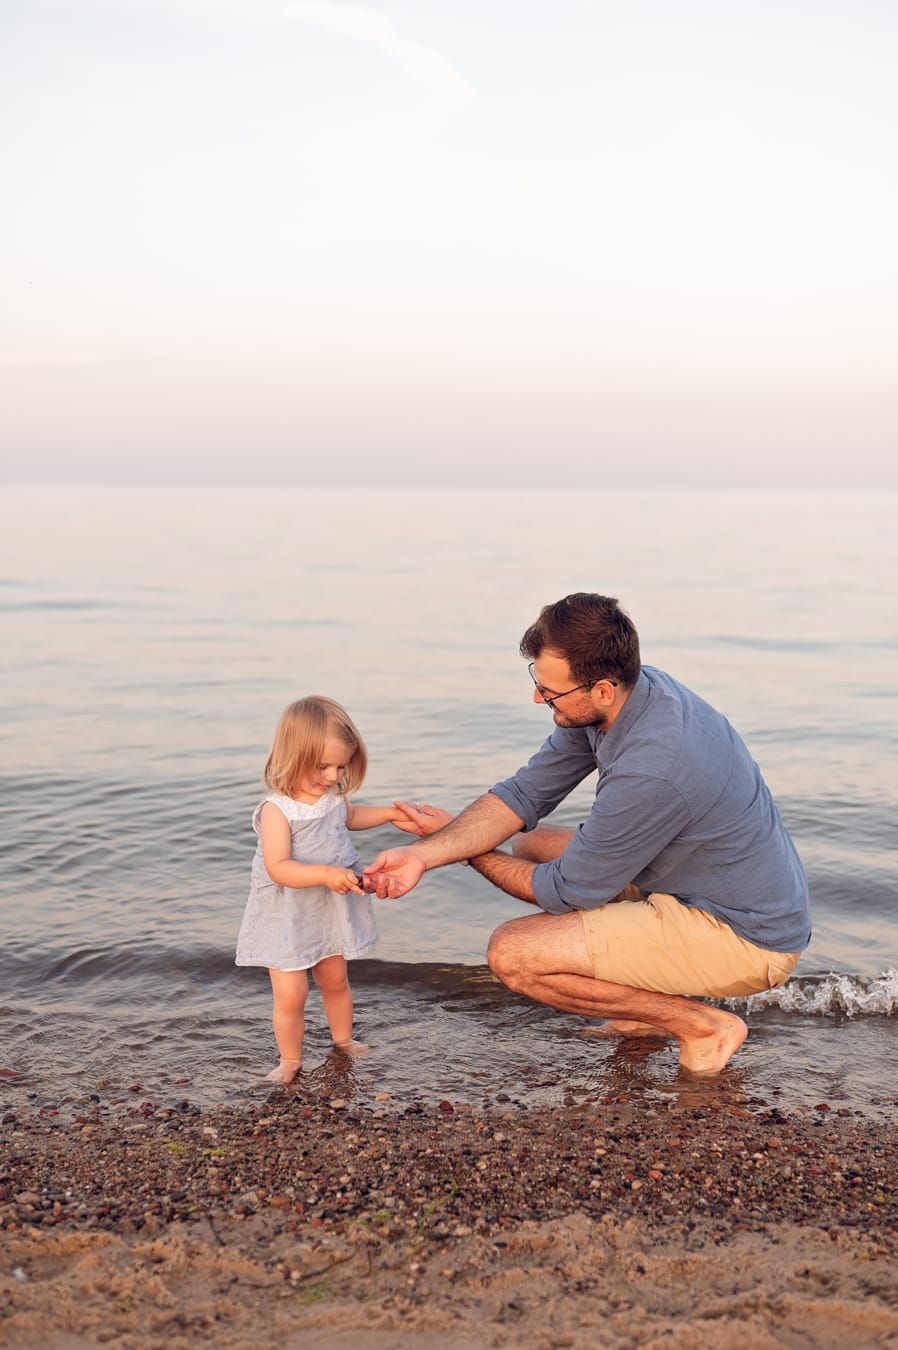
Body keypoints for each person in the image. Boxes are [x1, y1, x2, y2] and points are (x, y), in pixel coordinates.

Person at [363, 593, 811, 1075]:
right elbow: (524, 796)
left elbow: (565, 891)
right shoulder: (627, 693)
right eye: (537, 682)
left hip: (743, 935)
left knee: (513, 954)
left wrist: (470, 855)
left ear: (600, 689)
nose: (538, 698)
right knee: (530, 843)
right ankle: (638, 1016)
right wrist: (425, 853)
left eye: (549, 692)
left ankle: (701, 1025)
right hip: (698, 882)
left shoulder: (654, 767)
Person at [236, 695, 422, 1083]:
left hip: (327, 909)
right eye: (323, 766)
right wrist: (323, 873)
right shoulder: (278, 809)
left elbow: (350, 816)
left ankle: (343, 1040)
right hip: (287, 913)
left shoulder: (331, 798)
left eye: (341, 766)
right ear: (293, 754)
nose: (334, 776)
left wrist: (390, 815)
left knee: (335, 981)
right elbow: (279, 868)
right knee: (292, 995)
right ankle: (289, 1060)